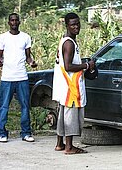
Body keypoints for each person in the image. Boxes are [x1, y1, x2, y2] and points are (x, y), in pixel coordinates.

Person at [53, 12, 95, 154]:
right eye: (73, 24)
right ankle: (69, 147)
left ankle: (60, 143)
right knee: (70, 116)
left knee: (63, 115)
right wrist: (86, 66)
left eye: (77, 23)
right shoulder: (69, 43)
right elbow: (68, 66)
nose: (76, 27)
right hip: (71, 86)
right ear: (67, 26)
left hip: (65, 86)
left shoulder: (66, 40)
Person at [0, 13, 37, 143]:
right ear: (8, 22)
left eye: (16, 20)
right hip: (7, 78)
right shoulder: (2, 37)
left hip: (22, 77)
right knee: (4, 106)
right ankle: (2, 133)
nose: (14, 22)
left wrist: (32, 63)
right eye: (12, 20)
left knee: (25, 105)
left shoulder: (25, 37)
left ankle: (26, 133)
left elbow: (28, 56)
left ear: (19, 22)